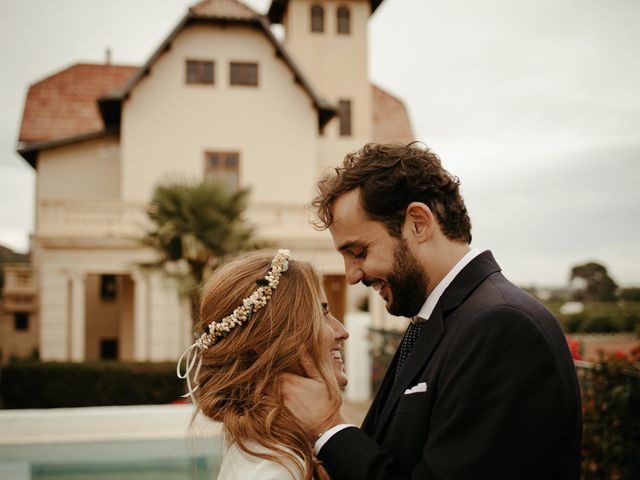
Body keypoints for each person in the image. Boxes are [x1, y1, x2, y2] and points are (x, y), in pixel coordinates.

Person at [281, 143, 583, 479]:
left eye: (359, 251)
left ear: (419, 223)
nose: (352, 275)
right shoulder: (436, 320)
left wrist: (328, 427)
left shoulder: (502, 326)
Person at [177, 249, 349, 480]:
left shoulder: (282, 451)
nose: (342, 332)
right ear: (274, 340)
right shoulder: (273, 470)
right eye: (322, 313)